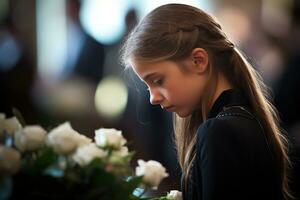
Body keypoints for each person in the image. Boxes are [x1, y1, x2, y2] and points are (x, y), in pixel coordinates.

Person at [121, 3, 293, 200]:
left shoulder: (219, 131)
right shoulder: (242, 118)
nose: (153, 98)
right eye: (147, 86)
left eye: (158, 81)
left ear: (198, 61)